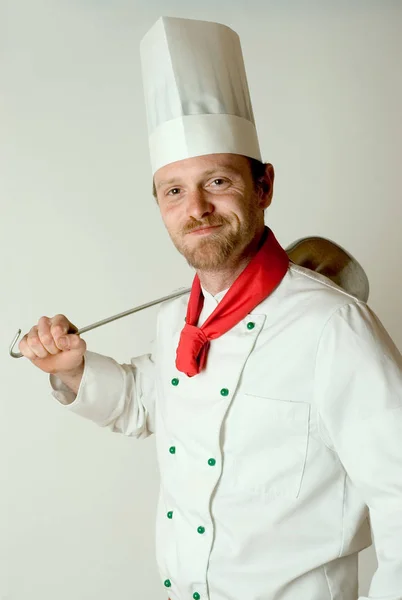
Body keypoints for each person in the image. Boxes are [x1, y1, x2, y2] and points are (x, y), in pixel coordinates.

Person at [18, 16, 402, 600]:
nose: (195, 207)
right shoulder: (177, 318)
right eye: (174, 190)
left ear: (264, 186)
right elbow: (149, 405)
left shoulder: (334, 327)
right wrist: (72, 369)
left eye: (218, 181)